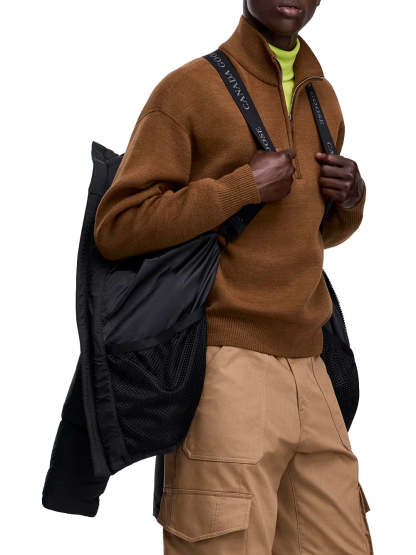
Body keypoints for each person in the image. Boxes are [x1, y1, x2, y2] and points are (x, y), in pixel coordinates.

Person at [94, 1, 372, 553]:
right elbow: (118, 227)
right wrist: (240, 187)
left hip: (314, 365)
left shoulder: (323, 97)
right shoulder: (188, 89)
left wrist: (351, 201)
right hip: (227, 365)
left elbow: (305, 236)